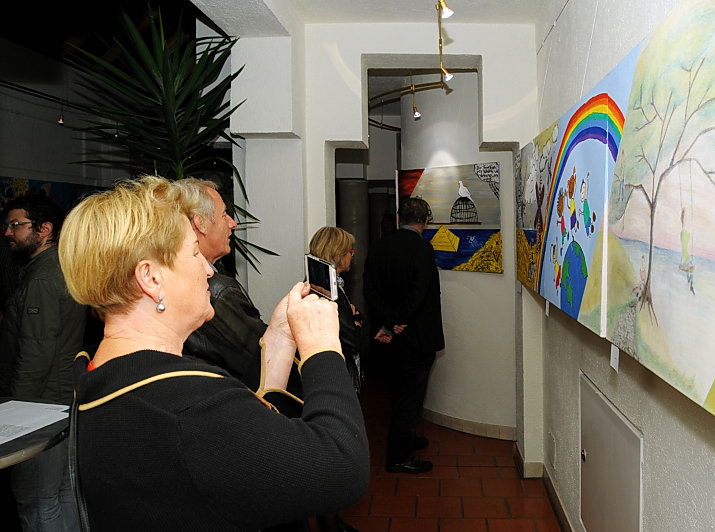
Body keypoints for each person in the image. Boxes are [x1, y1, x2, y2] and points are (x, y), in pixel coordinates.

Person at [58, 176, 369, 530]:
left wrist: (281, 336)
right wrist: (321, 347)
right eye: (194, 252)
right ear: (151, 278)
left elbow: (245, 433)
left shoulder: (99, 372)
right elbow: (344, 466)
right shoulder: (189, 404)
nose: (208, 270)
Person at [1, 196, 83, 531]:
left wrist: (18, 417)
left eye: (16, 225)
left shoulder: (43, 279)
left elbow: (37, 354)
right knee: (61, 493)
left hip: (41, 405)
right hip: (60, 400)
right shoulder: (61, 268)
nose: (8, 232)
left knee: (36, 500)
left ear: (44, 229)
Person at [363, 197, 445, 474]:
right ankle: (399, 456)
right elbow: (419, 293)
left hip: (389, 335)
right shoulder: (423, 249)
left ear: (399, 218)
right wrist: (399, 321)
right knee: (410, 396)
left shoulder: (379, 245)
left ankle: (407, 437)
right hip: (416, 335)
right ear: (425, 221)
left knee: (399, 391)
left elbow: (370, 289)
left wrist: (389, 322)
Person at [175, 178, 266, 390]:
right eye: (224, 214)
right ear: (200, 224)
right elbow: (263, 362)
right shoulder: (216, 292)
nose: (233, 223)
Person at [309, 226, 365, 394]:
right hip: (338, 374)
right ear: (338, 254)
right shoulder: (330, 292)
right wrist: (356, 321)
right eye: (350, 251)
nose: (352, 256)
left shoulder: (317, 282)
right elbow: (352, 341)